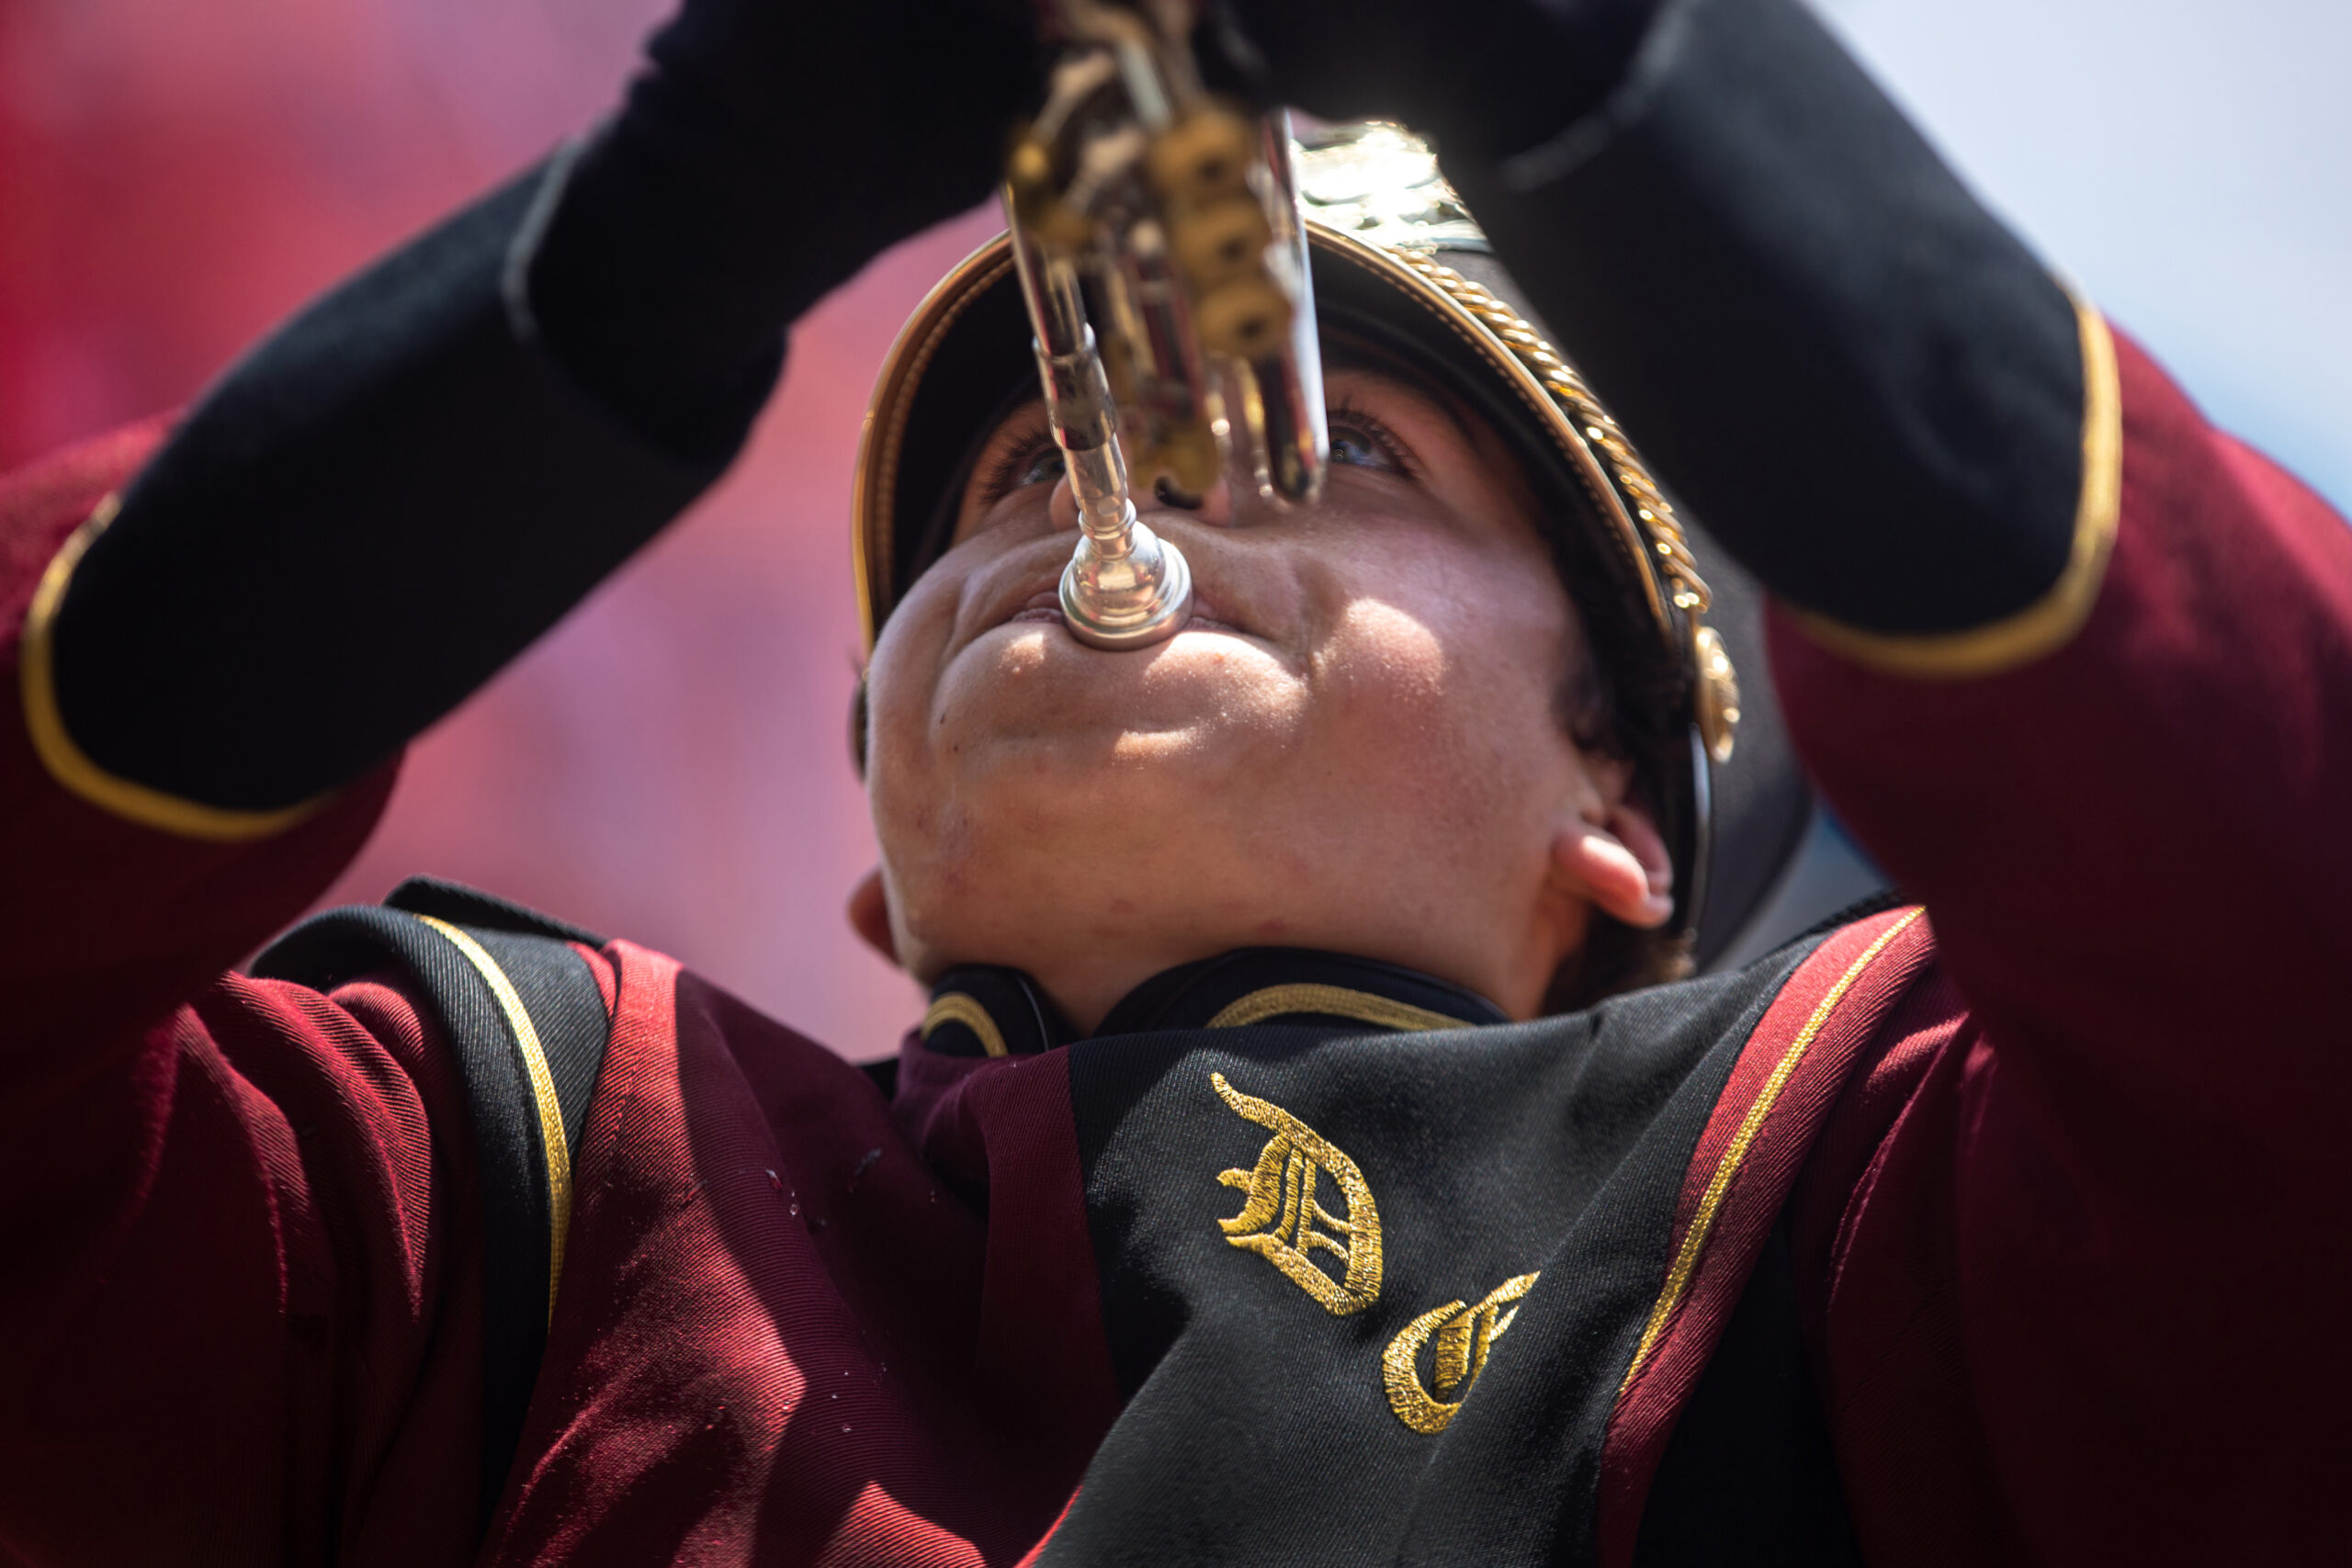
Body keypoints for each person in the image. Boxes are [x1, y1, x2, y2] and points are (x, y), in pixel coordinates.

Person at [2, 0, 2346, 1562]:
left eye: (1334, 455)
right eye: (1013, 465)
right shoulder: (503, 1184)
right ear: (872, 864)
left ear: (1625, 808)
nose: (1105, 498)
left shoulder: (1852, 1199)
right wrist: (627, 268)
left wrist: (1606, 77)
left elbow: (2277, 896)